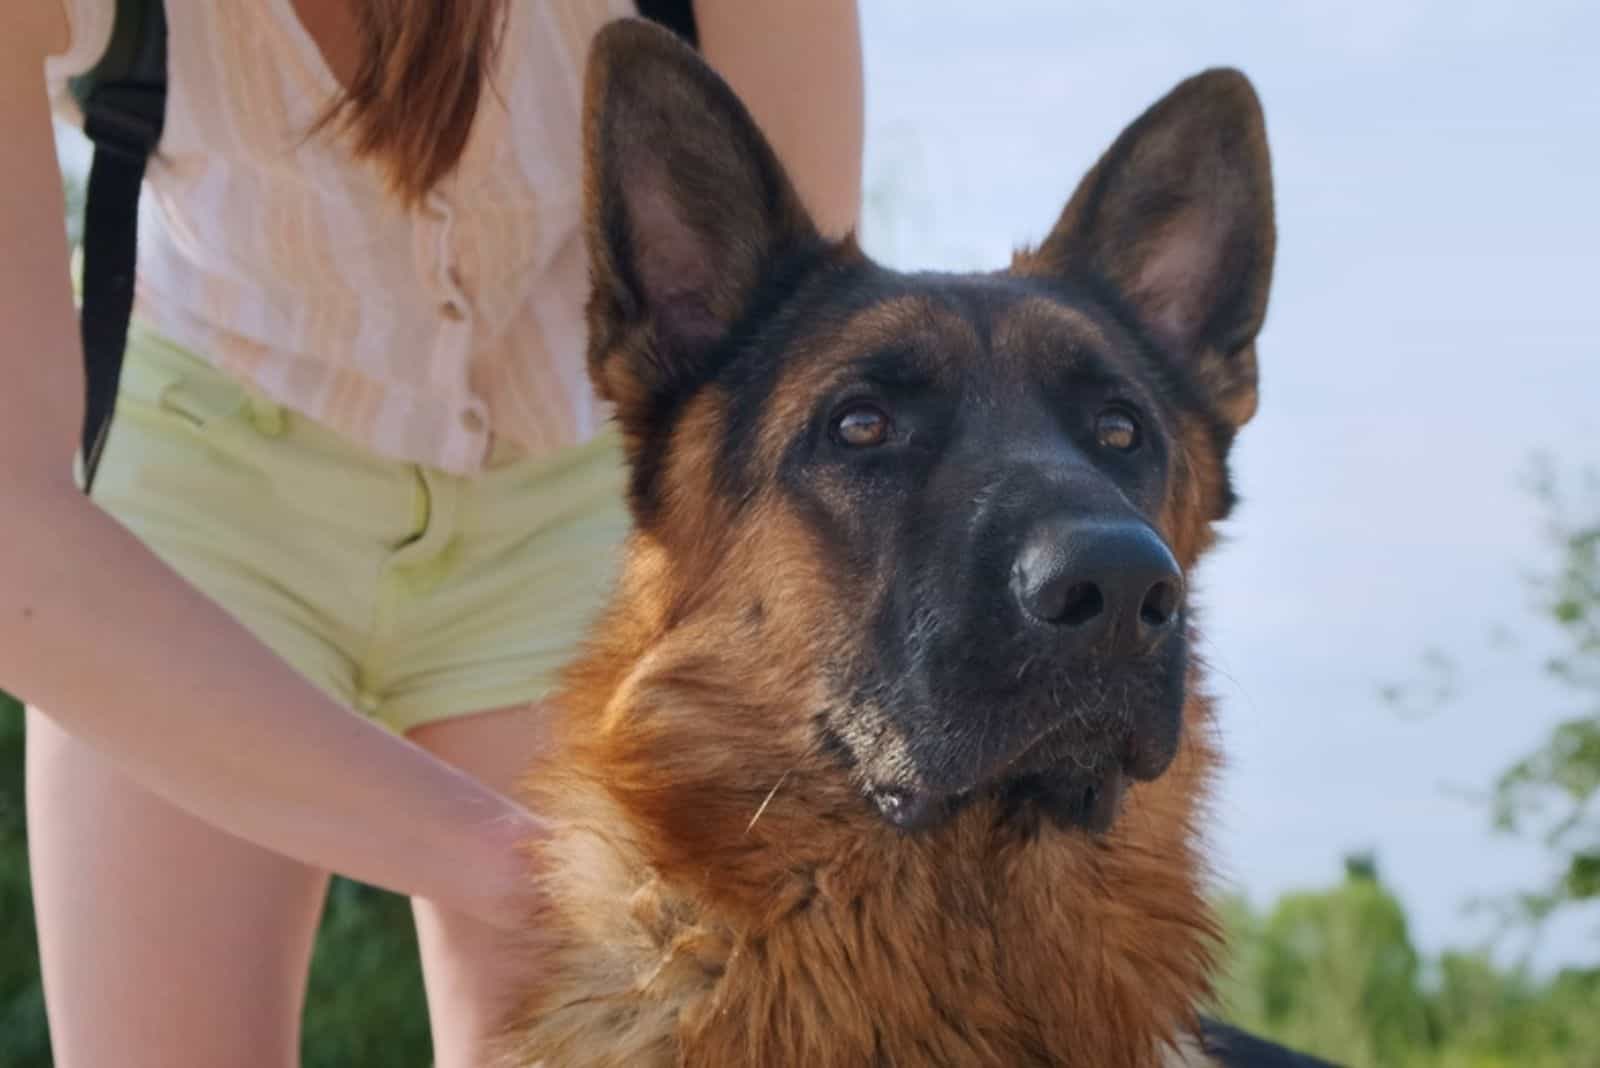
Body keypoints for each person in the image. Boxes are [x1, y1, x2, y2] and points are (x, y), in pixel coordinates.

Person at [0, 1, 862, 1064]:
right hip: (198, 482)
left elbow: (788, 388)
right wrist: (512, 861)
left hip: (573, 499)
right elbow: (10, 529)